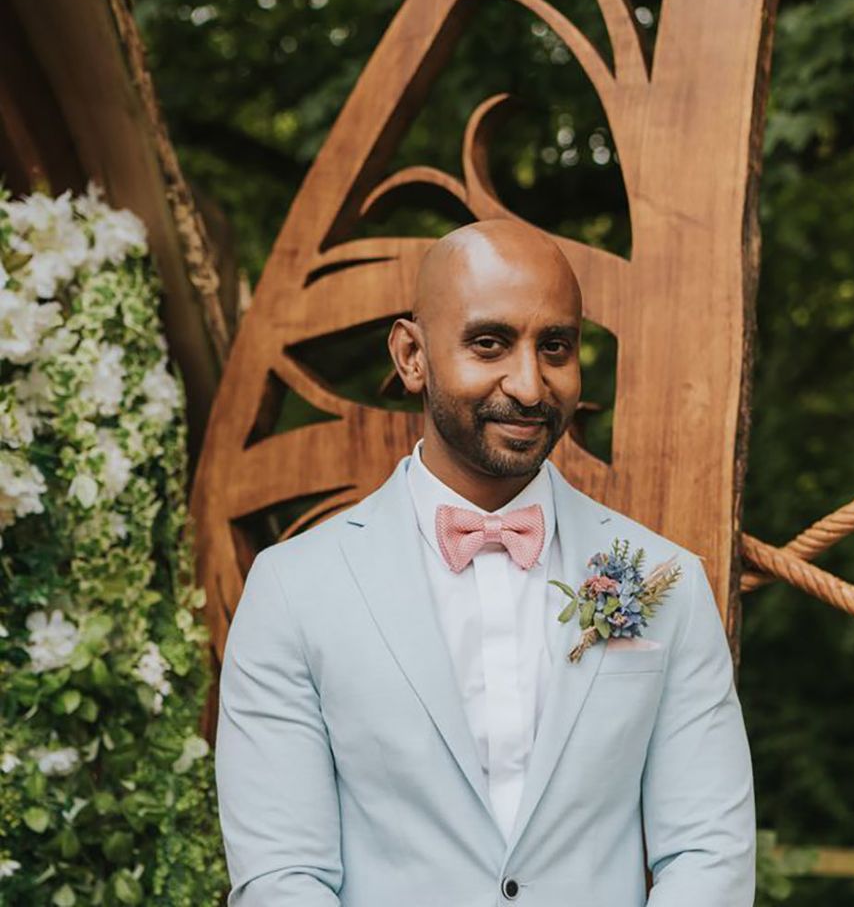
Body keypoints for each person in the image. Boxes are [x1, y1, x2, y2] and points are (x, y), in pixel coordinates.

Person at [214, 218, 756, 906]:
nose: (529, 386)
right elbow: (281, 877)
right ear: (412, 356)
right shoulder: (293, 589)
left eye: (555, 347)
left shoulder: (662, 582)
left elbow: (710, 851)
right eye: (490, 343)